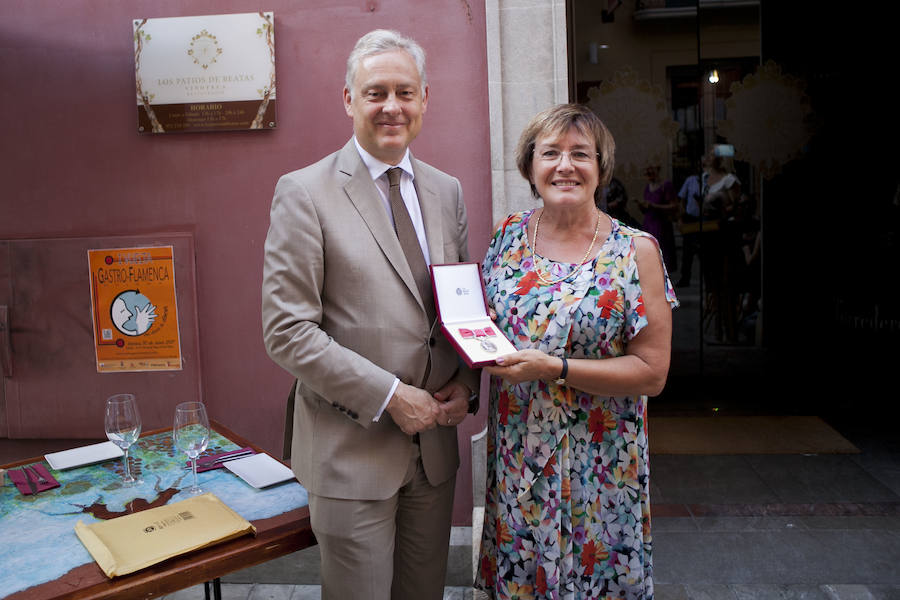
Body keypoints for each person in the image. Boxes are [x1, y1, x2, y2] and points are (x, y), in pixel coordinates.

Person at [261, 29, 479, 600]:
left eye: (404, 92)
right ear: (348, 100)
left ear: (425, 99)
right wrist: (389, 395)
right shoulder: (304, 192)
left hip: (433, 455)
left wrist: (465, 381)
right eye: (375, 92)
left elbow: (454, 307)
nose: (391, 107)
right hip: (350, 454)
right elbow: (287, 332)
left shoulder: (446, 191)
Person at [475, 104, 678, 600]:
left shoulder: (636, 251)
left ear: (601, 169)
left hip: (604, 465)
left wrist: (556, 368)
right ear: (529, 168)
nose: (565, 165)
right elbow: (480, 325)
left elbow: (652, 372)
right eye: (551, 154)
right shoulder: (506, 236)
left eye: (580, 154)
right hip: (522, 457)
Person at [701, 148, 742, 344]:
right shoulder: (704, 180)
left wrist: (724, 210)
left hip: (724, 237)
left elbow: (737, 208)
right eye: (709, 154)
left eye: (714, 154)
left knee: (726, 287)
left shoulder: (729, 180)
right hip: (708, 237)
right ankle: (717, 333)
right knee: (713, 287)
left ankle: (730, 333)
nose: (710, 157)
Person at [637, 164, 679, 272]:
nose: (649, 176)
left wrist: (654, 206)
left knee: (662, 255)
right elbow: (646, 210)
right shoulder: (648, 187)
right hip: (649, 225)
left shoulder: (666, 185)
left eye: (651, 173)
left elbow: (674, 205)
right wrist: (641, 206)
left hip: (661, 226)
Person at [675, 157, 705, 287]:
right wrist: (680, 218)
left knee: (703, 251)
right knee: (688, 251)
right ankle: (685, 278)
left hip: (704, 219)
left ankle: (706, 279)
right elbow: (681, 199)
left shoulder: (708, 180)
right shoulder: (690, 180)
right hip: (690, 217)